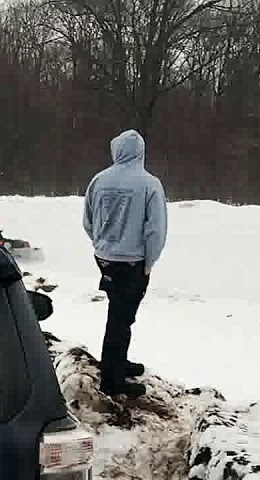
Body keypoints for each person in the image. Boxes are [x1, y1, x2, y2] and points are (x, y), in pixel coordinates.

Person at [83, 129, 168, 399]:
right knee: (121, 318)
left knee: (120, 314)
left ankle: (119, 361)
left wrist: (102, 246)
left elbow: (88, 219)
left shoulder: (99, 180)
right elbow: (155, 230)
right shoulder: (149, 184)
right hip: (132, 262)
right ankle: (112, 377)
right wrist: (149, 261)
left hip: (105, 259)